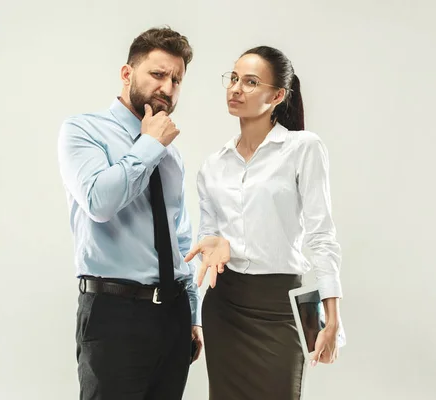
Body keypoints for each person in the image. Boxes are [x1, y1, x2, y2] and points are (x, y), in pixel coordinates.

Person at [184, 45, 344, 400]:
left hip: (280, 307)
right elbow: (206, 241)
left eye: (251, 82)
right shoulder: (212, 166)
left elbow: (322, 236)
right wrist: (214, 242)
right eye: (234, 78)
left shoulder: (304, 148)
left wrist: (332, 318)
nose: (236, 88)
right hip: (224, 307)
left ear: (277, 95)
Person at [57, 26, 203, 400]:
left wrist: (192, 314)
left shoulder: (171, 153)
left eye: (176, 80)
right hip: (113, 312)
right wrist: (150, 143)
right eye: (157, 74)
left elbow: (179, 236)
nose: (167, 89)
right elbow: (99, 203)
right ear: (127, 74)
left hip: (172, 317)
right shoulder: (83, 130)